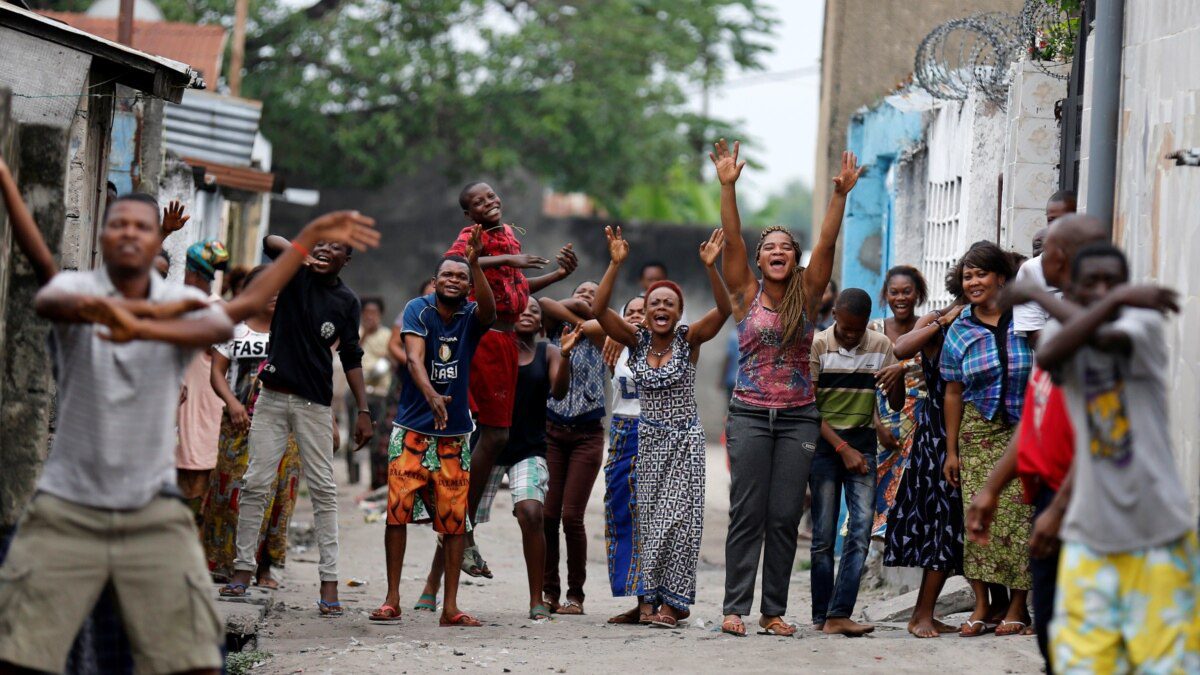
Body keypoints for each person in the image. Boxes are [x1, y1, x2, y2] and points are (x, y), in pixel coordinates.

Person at [0, 192, 379, 672]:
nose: (131, 235)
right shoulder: (75, 294)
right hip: (65, 504)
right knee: (21, 650)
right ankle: (242, 569)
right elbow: (42, 266)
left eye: (143, 227)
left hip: (152, 509)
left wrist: (311, 233)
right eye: (120, 225)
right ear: (101, 234)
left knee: (198, 659)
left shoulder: (181, 303)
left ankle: (293, 576)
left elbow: (236, 308)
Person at [709, 138, 862, 637]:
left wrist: (839, 197)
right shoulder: (744, 294)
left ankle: (773, 610)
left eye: (785, 248)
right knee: (746, 514)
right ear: (758, 260)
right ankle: (735, 608)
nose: (777, 252)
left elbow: (830, 243)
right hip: (750, 416)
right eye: (768, 248)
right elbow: (731, 242)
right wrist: (728, 188)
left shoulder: (810, 293)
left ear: (796, 259)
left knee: (782, 517)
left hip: (798, 416)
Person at [1030, 244, 1196, 673]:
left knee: (1165, 665)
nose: (1104, 291)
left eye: (1114, 283)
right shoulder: (1058, 335)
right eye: (1092, 284)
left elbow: (1107, 337)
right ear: (1073, 289)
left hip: (1157, 533)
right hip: (1090, 536)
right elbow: (1048, 357)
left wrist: (1113, 301)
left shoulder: (1141, 320)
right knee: (1083, 665)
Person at [965, 213, 1107, 664]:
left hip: (1085, 503)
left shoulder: (1106, 340)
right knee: (1050, 629)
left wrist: (1059, 509)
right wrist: (991, 489)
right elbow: (1034, 418)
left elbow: (1103, 440)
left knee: (1080, 630)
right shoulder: (1055, 340)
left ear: (1062, 261)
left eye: (1046, 254)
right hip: (1050, 496)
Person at [222, 224, 380, 615]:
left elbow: (352, 356)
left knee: (324, 491)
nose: (326, 251)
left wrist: (362, 410)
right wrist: (302, 252)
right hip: (272, 399)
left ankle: (329, 583)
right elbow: (270, 242)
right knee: (256, 482)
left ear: (349, 258)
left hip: (314, 406)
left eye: (336, 248)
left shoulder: (346, 301)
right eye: (321, 245)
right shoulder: (293, 275)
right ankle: (242, 571)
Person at [593, 225, 731, 628]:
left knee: (680, 524)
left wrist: (711, 267)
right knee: (646, 522)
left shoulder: (690, 341)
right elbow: (599, 312)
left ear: (678, 311)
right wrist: (615, 264)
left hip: (684, 442)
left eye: (670, 303)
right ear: (647, 309)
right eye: (656, 302)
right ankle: (647, 605)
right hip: (648, 441)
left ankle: (673, 605)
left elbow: (723, 311)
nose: (661, 308)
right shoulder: (634, 341)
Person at [445, 181, 577, 579]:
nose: (490, 202)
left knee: (497, 433)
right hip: (486, 334)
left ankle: (461, 532)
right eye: (479, 201)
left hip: (505, 337)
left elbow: (517, 292)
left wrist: (555, 274)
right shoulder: (475, 236)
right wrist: (508, 261)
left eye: (491, 196)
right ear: (469, 214)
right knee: (495, 435)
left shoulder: (506, 235)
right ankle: (463, 525)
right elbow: (455, 264)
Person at [369, 231, 495, 627]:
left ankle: (450, 607)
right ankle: (392, 598)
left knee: (454, 521)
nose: (454, 281)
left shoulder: (471, 316)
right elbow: (414, 359)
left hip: (455, 435)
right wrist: (431, 396)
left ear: (468, 285)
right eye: (448, 275)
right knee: (397, 514)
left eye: (461, 276)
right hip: (411, 430)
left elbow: (491, 312)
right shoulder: (417, 310)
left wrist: (476, 263)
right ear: (436, 280)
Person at [940, 241, 1034, 637]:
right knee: (978, 520)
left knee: (1019, 517)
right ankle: (983, 604)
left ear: (1000, 276)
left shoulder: (1026, 319)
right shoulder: (959, 328)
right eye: (968, 276)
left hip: (1024, 428)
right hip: (977, 433)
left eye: (981, 273)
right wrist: (951, 450)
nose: (974, 282)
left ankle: (1017, 607)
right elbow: (953, 391)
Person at [470, 297, 575, 620]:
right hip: (487, 445)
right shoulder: (491, 346)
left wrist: (567, 356)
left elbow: (558, 393)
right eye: (522, 308)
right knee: (460, 521)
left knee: (531, 512)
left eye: (535, 311)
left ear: (543, 323)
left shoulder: (550, 352)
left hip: (529, 448)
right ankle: (433, 588)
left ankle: (536, 600)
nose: (528, 312)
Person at [809, 289, 903, 636]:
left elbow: (894, 403)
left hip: (862, 445)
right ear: (834, 314)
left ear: (867, 322)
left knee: (861, 528)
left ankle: (838, 613)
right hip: (824, 448)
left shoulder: (880, 346)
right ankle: (822, 615)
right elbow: (809, 408)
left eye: (857, 329)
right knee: (822, 535)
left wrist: (897, 379)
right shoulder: (818, 345)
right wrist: (841, 448)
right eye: (845, 328)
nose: (850, 336)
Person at [203, 266, 301, 588]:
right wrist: (232, 403)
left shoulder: (295, 330)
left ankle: (265, 568)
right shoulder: (233, 329)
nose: (273, 293)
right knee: (231, 492)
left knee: (277, 498)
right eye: (265, 287)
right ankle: (223, 563)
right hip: (238, 425)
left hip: (284, 427)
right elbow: (217, 372)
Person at [884, 280, 967, 638]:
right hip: (938, 437)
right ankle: (921, 614)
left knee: (957, 526)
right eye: (971, 276)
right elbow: (901, 348)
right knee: (941, 523)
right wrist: (943, 320)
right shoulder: (940, 320)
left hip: (973, 433)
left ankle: (927, 613)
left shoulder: (989, 322)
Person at [542, 280, 608, 615]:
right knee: (547, 515)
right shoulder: (556, 328)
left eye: (593, 293)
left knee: (571, 517)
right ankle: (549, 591)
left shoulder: (604, 336)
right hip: (552, 431)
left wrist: (585, 309)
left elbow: (595, 318)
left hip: (587, 435)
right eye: (580, 290)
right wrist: (579, 306)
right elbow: (542, 303)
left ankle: (575, 595)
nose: (585, 296)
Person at [596, 296, 651, 624]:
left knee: (655, 516)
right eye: (629, 314)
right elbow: (590, 319)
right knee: (620, 512)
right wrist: (618, 332)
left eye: (642, 313)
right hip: (622, 431)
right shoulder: (613, 344)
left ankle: (661, 600)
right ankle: (639, 597)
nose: (636, 319)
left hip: (657, 432)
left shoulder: (669, 345)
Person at [869, 266, 928, 538]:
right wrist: (876, 425)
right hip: (882, 421)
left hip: (920, 422)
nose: (901, 298)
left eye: (907, 291)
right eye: (894, 292)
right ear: (886, 295)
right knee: (877, 487)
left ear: (918, 294)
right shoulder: (874, 331)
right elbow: (863, 385)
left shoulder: (926, 330)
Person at [176, 239, 231, 517]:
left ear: (192, 272)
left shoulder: (211, 310)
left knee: (195, 476)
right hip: (188, 401)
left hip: (201, 403)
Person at [1013, 190, 1079, 344]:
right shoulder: (1032, 269)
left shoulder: (1097, 262)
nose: (1058, 227)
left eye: (1066, 219)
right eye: (1052, 220)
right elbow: (1034, 336)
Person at [347, 296, 391, 484]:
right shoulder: (356, 333)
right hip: (357, 392)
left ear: (381, 315)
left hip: (380, 392)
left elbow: (391, 358)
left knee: (379, 437)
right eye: (367, 313)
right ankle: (353, 478)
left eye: (374, 313)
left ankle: (376, 481)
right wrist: (364, 333)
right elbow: (349, 355)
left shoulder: (388, 335)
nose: (370, 317)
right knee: (353, 434)